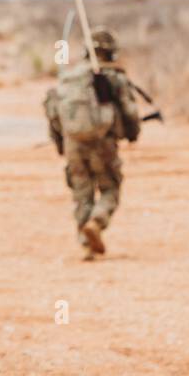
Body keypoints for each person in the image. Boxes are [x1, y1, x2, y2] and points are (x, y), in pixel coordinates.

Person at [43, 26, 141, 259]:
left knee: (81, 192)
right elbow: (130, 110)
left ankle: (86, 243)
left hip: (73, 144)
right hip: (103, 143)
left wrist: (61, 144)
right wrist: (132, 132)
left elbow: (54, 113)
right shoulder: (112, 77)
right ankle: (97, 222)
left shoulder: (68, 77)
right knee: (110, 187)